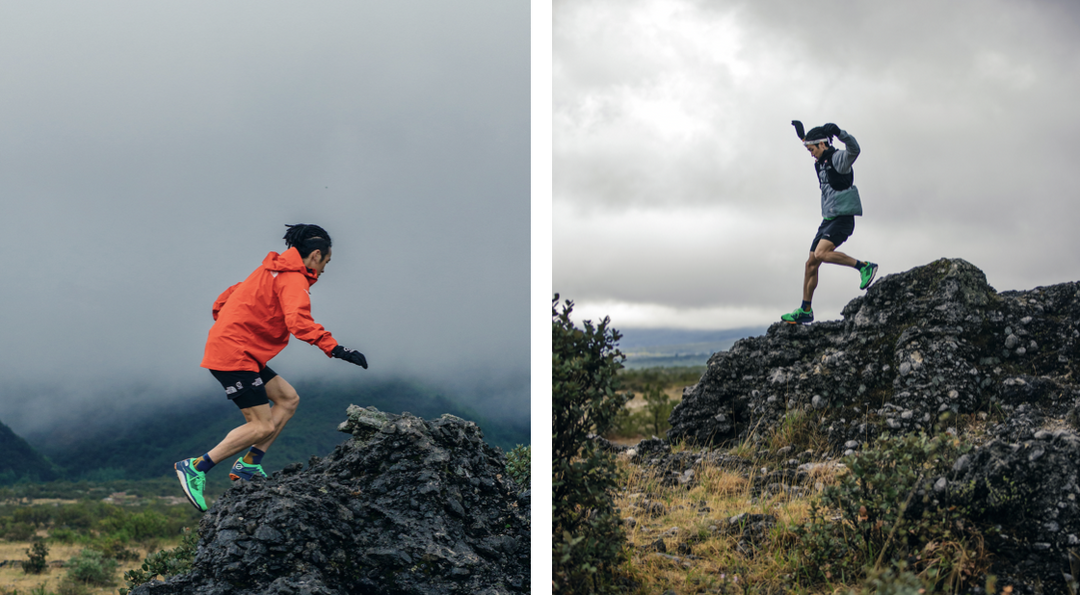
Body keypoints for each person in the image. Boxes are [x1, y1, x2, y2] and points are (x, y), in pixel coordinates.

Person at [174, 224, 369, 512]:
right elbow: (298, 322)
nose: (325, 269)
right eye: (327, 262)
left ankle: (248, 465)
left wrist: (231, 323)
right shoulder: (293, 279)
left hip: (241, 349)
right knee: (261, 424)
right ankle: (195, 467)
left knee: (288, 399)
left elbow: (228, 297)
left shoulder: (270, 268)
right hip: (234, 353)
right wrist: (337, 349)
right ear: (316, 255)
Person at [781, 121, 878, 325]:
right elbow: (812, 142)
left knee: (821, 254)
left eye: (811, 149)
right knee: (810, 264)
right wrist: (802, 136)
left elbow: (855, 149)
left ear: (823, 145)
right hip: (827, 220)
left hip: (843, 218)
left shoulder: (839, 159)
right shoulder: (821, 159)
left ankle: (864, 266)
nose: (810, 153)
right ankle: (806, 309)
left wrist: (840, 133)